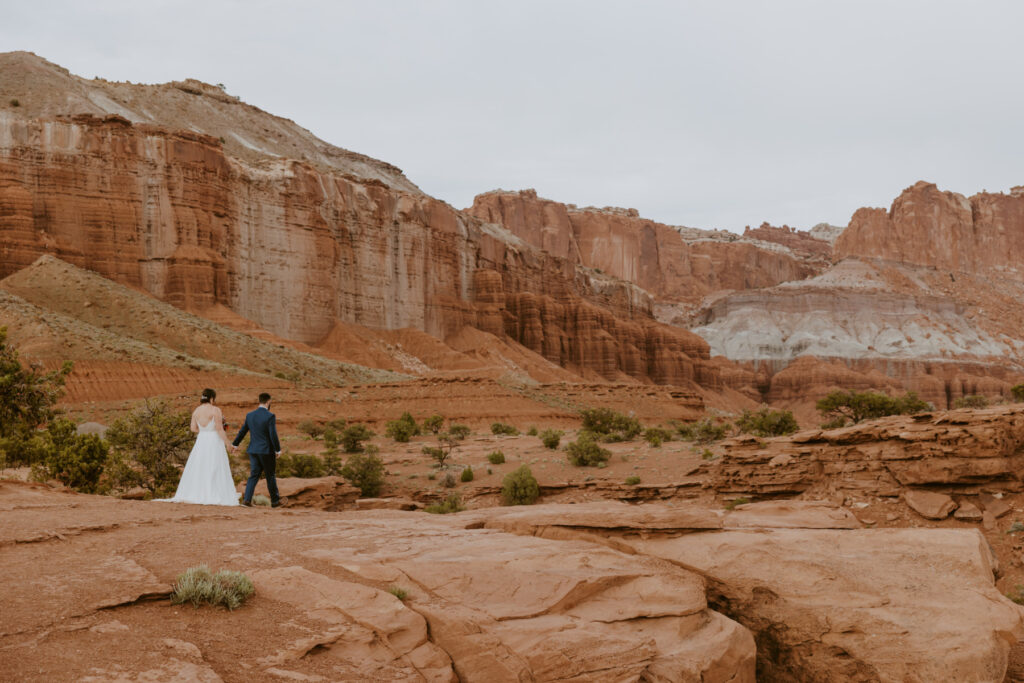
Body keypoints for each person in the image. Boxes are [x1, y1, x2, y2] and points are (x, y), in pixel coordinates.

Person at [158, 388, 240, 506]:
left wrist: (204, 431)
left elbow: (193, 428)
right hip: (213, 440)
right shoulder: (215, 410)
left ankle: (198, 492)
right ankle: (213, 492)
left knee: (200, 465)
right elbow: (219, 429)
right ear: (212, 399)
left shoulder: (196, 411)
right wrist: (228, 444)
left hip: (201, 441)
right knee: (215, 465)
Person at [232, 392, 282, 507]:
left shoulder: (250, 415)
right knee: (270, 475)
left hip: (253, 450)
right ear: (268, 401)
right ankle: (275, 501)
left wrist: (235, 444)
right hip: (266, 451)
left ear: (259, 401)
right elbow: (272, 434)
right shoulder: (270, 416)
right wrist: (277, 450)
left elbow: (243, 431)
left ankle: (246, 500)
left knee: (253, 475)